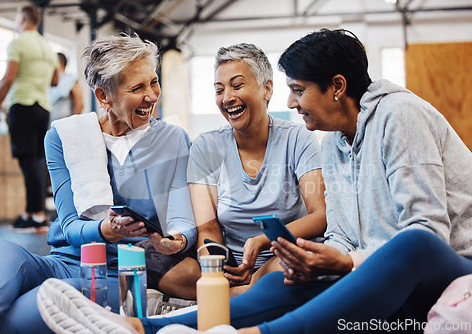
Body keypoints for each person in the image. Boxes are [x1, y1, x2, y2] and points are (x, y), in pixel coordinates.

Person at [36, 28, 472, 334]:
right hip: (379, 271)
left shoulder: (399, 116)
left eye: (298, 90)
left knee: (408, 245)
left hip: (447, 267)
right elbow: (341, 232)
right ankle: (140, 326)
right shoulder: (336, 142)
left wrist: (343, 262)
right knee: (295, 278)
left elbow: (428, 234)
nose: (290, 101)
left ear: (337, 86)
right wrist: (322, 259)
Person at [0, 34, 199, 334]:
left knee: (41, 304)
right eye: (137, 88)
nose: (151, 95)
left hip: (117, 272)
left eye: (153, 82)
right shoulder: (64, 136)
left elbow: (183, 216)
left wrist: (179, 239)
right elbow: (69, 226)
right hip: (64, 259)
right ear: (104, 96)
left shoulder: (172, 139)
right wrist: (106, 229)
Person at [188, 43, 326, 293]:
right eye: (219, 90)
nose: (227, 97)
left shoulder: (298, 138)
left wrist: (262, 241)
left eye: (237, 85)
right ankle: (237, 294)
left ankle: (243, 294)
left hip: (283, 259)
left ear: (267, 88)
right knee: (173, 267)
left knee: (285, 268)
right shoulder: (205, 146)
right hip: (234, 269)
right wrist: (216, 272)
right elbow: (207, 229)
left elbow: (320, 215)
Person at [0, 4, 59, 233]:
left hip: (23, 105)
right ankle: (30, 211)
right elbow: (55, 80)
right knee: (36, 160)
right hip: (43, 107)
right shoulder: (47, 47)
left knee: (28, 161)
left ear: (22, 19)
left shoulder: (18, 43)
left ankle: (37, 215)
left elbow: (8, 78)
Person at [49, 52, 84, 123]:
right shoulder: (50, 81)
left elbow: (80, 104)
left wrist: (73, 124)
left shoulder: (72, 80)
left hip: (64, 125)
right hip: (48, 126)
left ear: (60, 62)